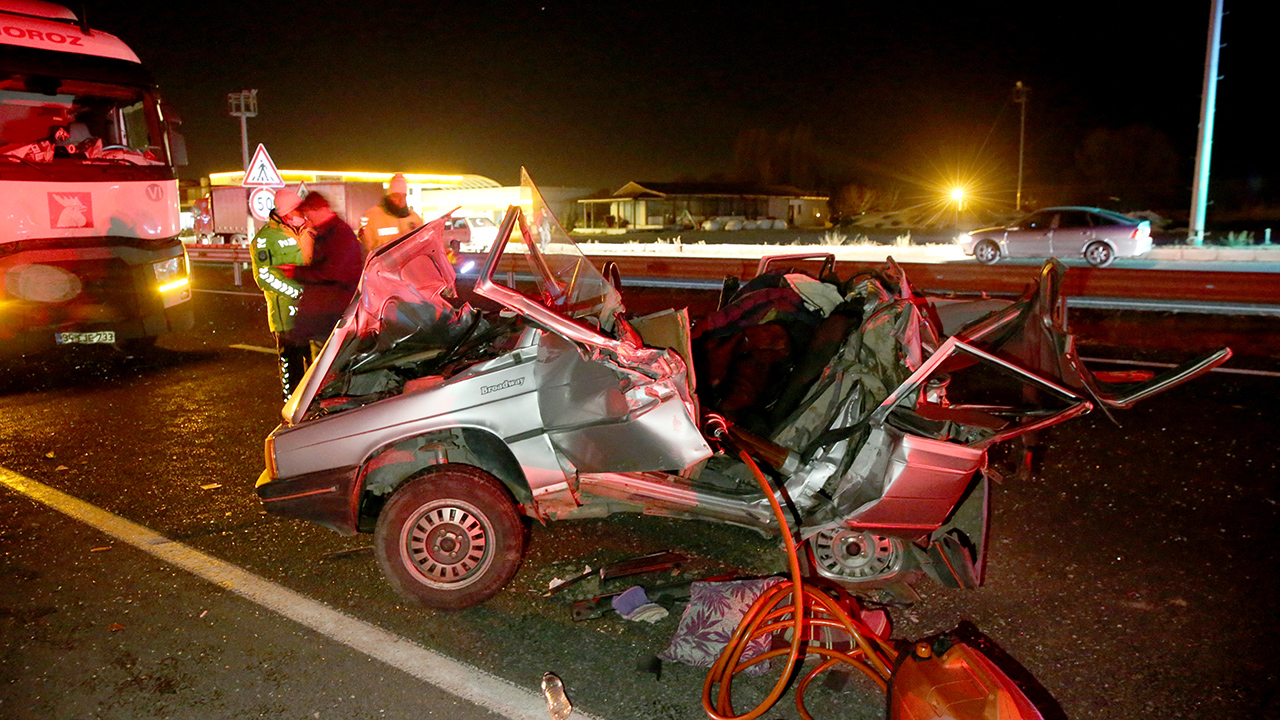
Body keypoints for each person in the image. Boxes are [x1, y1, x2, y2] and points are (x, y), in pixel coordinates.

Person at [250, 187, 313, 401]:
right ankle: (292, 412)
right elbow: (264, 277)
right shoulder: (266, 238)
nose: (302, 214)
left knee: (318, 367)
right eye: (297, 210)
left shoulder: (308, 231)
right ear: (286, 212)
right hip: (286, 318)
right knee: (293, 370)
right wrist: (298, 293)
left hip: (313, 314)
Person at [289, 191, 364, 354]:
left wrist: (297, 272)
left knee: (326, 363)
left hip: (333, 313)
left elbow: (332, 273)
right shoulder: (328, 232)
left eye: (308, 215)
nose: (307, 221)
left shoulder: (339, 234)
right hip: (327, 313)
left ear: (319, 209)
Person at [359, 173, 422, 253]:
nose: (401, 200)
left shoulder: (414, 218)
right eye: (396, 196)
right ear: (389, 197)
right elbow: (368, 247)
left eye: (404, 196)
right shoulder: (373, 216)